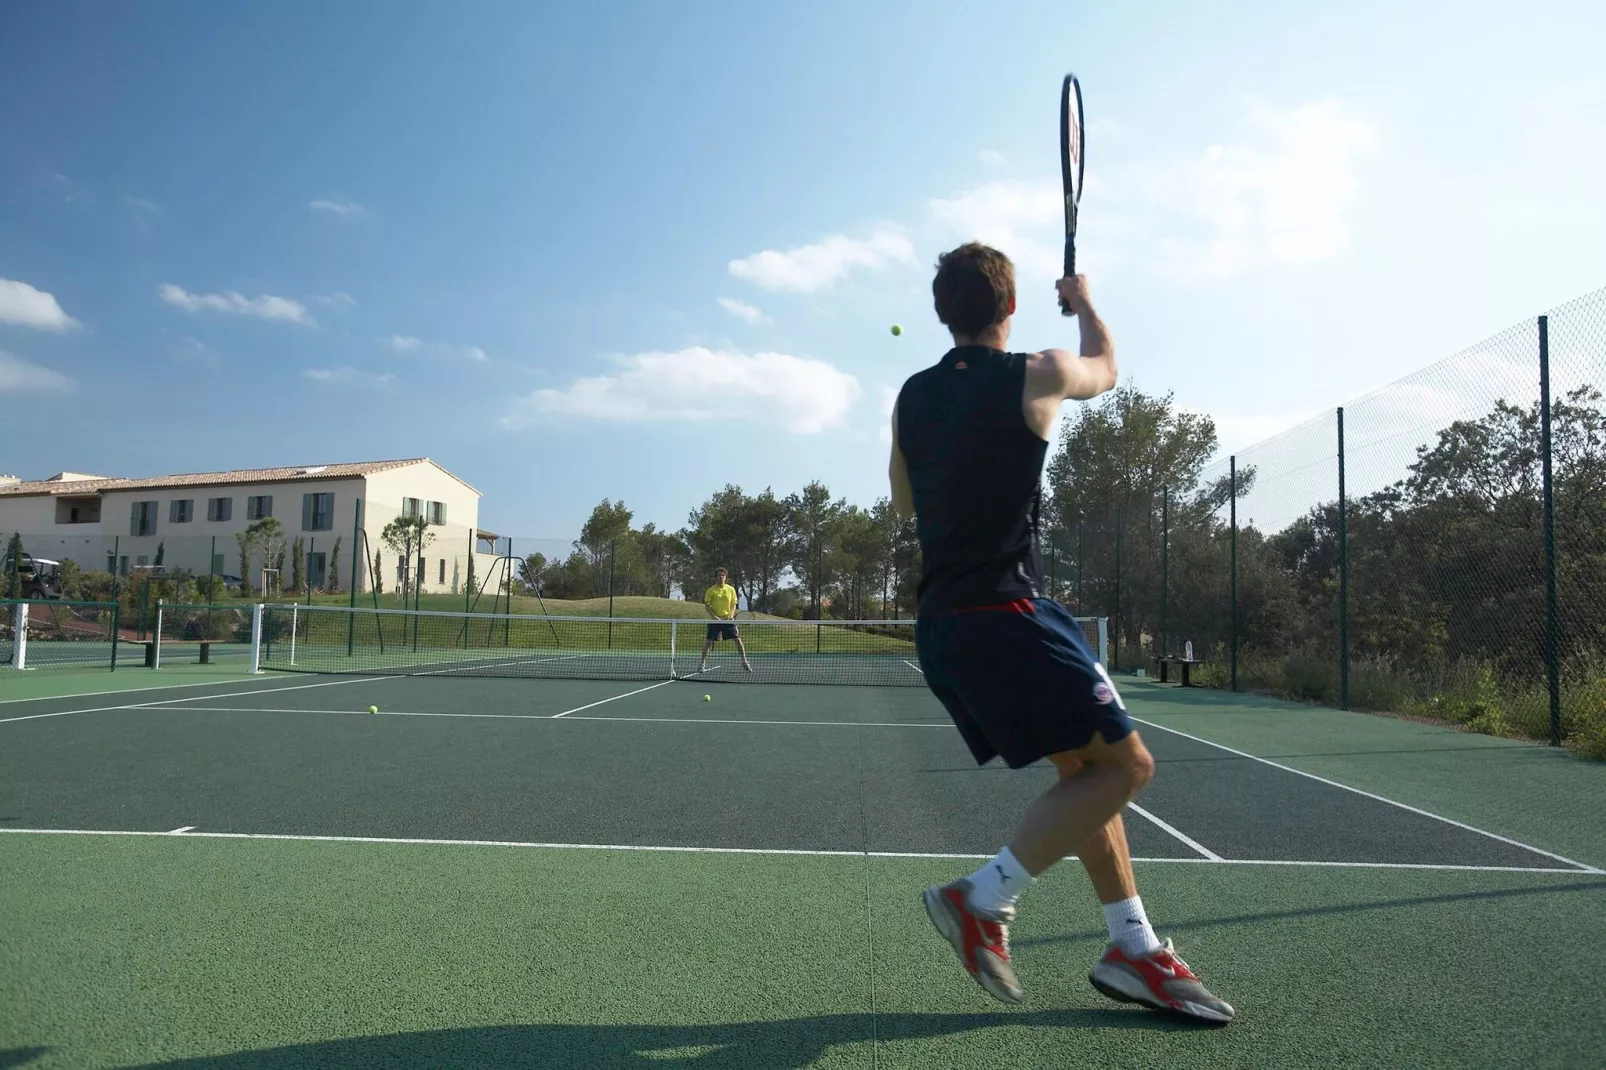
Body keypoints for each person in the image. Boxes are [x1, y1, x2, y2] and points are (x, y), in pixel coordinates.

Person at [888, 242, 1234, 1023]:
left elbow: (906, 504)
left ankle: (1135, 948)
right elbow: (1106, 368)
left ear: (943, 314)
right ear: (1009, 308)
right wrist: (1083, 303)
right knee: (1128, 768)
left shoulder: (911, 397)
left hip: (943, 625)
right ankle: (982, 898)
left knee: (1087, 772)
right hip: (1007, 612)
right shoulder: (1035, 372)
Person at [699, 567, 753, 673]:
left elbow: (733, 604)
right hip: (715, 621)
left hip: (728, 620)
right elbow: (707, 606)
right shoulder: (711, 590)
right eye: (719, 575)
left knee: (738, 640)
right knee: (708, 642)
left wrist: (731, 616)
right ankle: (702, 664)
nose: (721, 577)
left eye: (722, 575)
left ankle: (744, 662)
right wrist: (716, 618)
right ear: (716, 578)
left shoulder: (731, 589)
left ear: (725, 577)